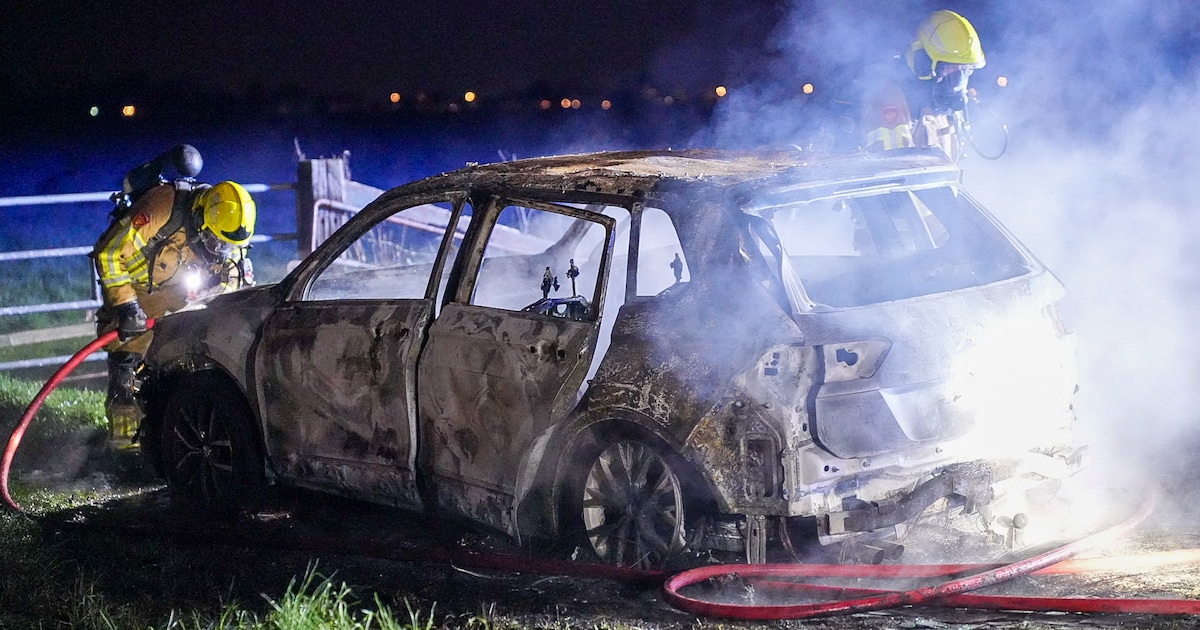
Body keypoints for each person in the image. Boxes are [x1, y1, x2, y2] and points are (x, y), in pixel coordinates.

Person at [92, 177, 257, 434]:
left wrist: (215, 307)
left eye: (227, 247)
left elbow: (233, 280)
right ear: (200, 219)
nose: (219, 252)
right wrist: (126, 306)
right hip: (138, 290)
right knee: (128, 363)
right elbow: (110, 253)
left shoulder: (226, 234)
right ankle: (124, 443)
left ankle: (176, 431)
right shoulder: (161, 208)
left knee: (190, 363)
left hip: (184, 293)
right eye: (215, 243)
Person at [860, 9, 986, 162]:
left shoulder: (947, 107)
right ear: (923, 62)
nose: (958, 79)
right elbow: (893, 174)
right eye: (950, 67)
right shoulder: (890, 100)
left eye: (964, 69)